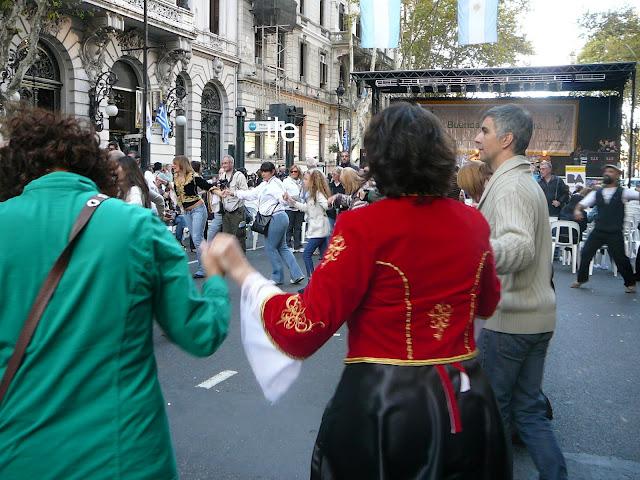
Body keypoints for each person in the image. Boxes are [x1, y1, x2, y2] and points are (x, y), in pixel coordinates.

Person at [209, 102, 510, 479]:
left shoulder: (363, 226)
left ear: (380, 160)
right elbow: (488, 303)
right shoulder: (472, 223)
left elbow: (302, 326)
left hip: (386, 406)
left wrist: (241, 271)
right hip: (466, 402)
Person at [0, 107, 231, 479]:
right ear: (92, 166)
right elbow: (199, 332)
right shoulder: (136, 225)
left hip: (18, 455)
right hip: (122, 458)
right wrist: (217, 278)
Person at [474, 103, 567, 479]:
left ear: (506, 139)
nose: (477, 138)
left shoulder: (511, 185)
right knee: (528, 411)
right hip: (536, 316)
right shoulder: (521, 181)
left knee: (493, 419)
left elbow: (519, 246)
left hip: (509, 322)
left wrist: (467, 253)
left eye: (484, 130)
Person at [225, 161, 305, 285]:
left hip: (275, 218)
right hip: (279, 217)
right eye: (262, 171)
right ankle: (296, 274)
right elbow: (252, 194)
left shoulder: (274, 185)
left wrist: (284, 199)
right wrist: (234, 193)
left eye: (266, 171)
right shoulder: (266, 184)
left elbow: (280, 198)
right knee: (282, 247)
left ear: (272, 172)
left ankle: (277, 277)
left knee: (270, 247)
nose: (263, 173)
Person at [571, 164, 639, 292]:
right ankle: (581, 279)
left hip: (614, 232)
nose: (607, 173)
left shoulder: (623, 192)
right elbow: (581, 204)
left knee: (620, 258)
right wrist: (577, 210)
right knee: (586, 253)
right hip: (599, 231)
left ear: (618, 175)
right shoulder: (597, 193)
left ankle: (630, 283)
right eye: (606, 171)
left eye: (611, 171)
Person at [172, 155, 214, 278]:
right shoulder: (175, 177)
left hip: (198, 209)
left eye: (175, 163)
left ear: (181, 165)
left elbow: (207, 186)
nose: (173, 166)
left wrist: (219, 192)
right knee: (197, 238)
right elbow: (177, 192)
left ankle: (204, 268)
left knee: (197, 238)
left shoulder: (193, 177)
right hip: (186, 212)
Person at [283, 170, 331, 278]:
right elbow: (306, 208)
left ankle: (312, 281)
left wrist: (330, 202)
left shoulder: (317, 194)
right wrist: (291, 201)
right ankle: (326, 280)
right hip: (320, 228)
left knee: (306, 254)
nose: (303, 181)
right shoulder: (312, 194)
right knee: (325, 258)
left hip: (319, 229)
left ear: (312, 181)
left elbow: (326, 205)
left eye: (305, 179)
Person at [212, 155, 249, 251]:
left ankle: (240, 263)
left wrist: (232, 193)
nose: (224, 165)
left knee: (239, 239)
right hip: (226, 211)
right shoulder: (222, 175)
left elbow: (245, 193)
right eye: (223, 163)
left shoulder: (239, 176)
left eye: (226, 163)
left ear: (231, 163)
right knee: (227, 239)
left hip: (237, 211)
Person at [283, 164, 305, 252]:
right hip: (289, 207)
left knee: (298, 227)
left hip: (300, 206)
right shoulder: (286, 181)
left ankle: (298, 245)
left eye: (295, 171)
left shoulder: (302, 181)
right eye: (291, 171)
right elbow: (284, 193)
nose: (293, 173)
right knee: (289, 227)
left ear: (298, 172)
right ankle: (288, 245)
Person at [327, 166, 345, 230]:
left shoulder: (344, 185)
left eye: (334, 174)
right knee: (331, 230)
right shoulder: (330, 185)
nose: (333, 176)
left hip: (341, 211)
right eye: (332, 174)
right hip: (331, 212)